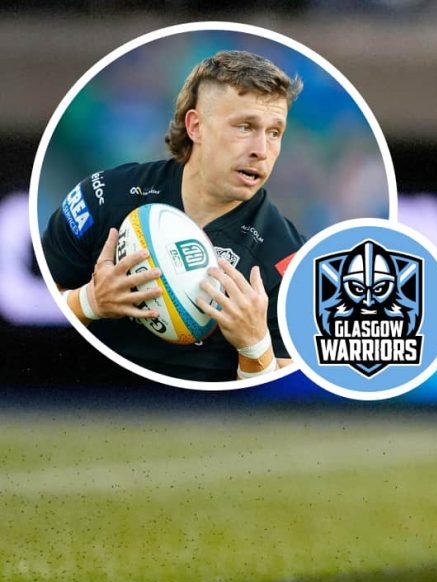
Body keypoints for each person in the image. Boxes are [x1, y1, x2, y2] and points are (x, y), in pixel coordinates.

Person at [42, 50, 306, 382]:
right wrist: (90, 302)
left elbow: (281, 403)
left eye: (274, 132)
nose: (262, 150)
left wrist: (254, 346)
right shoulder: (104, 196)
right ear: (195, 126)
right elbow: (28, 307)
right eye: (245, 126)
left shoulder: (289, 258)